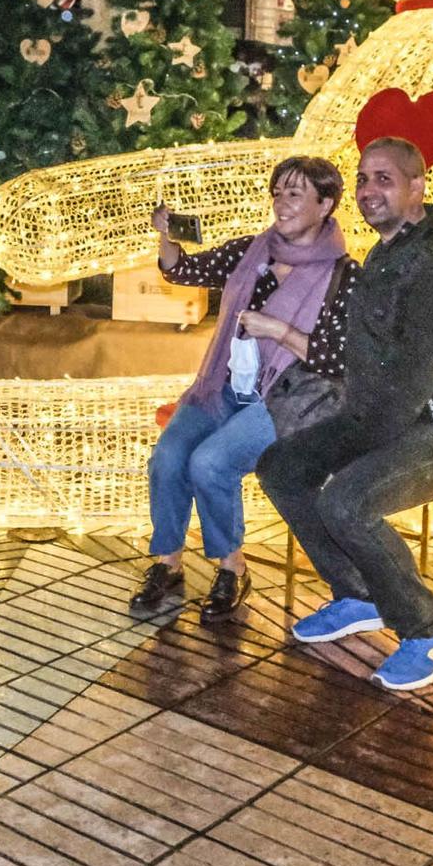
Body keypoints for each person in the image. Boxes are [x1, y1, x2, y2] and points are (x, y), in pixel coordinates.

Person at [257, 137, 433, 691]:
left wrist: (355, 448)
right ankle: (358, 594)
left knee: (347, 500)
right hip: (380, 414)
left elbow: (413, 381)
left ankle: (429, 634)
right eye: (363, 179)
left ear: (418, 187)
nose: (368, 191)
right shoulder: (386, 253)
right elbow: (364, 361)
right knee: (282, 468)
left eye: (383, 179)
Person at [130, 156, 355, 625]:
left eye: (295, 193)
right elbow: (183, 272)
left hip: (288, 400)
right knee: (168, 458)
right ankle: (168, 563)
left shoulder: (344, 277)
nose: (282, 202)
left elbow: (337, 361)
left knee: (211, 463)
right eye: (277, 192)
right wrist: (165, 237)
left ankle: (233, 568)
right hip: (226, 386)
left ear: (325, 204)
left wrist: (278, 330)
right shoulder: (253, 251)